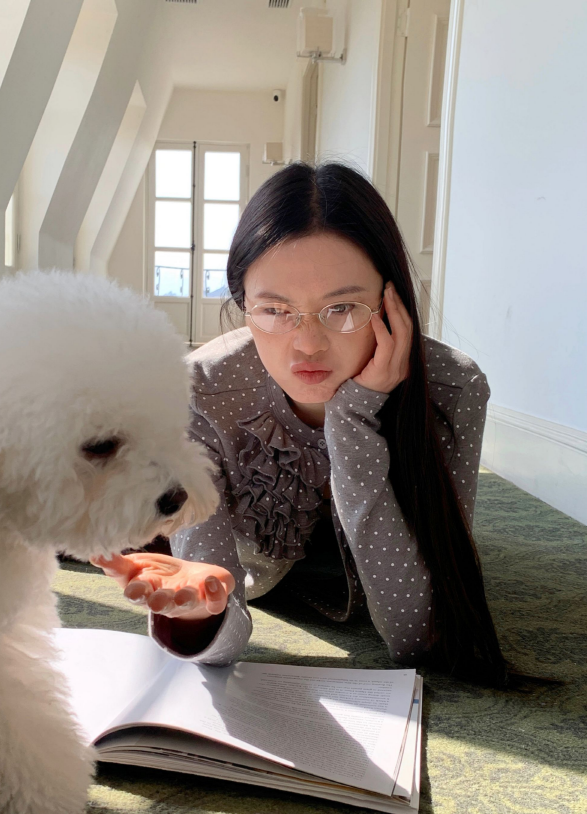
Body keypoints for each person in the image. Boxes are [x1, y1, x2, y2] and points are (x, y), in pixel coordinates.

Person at [93, 162, 507, 685]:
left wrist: (353, 415)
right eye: (274, 310)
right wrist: (199, 612)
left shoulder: (453, 388)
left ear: (391, 301)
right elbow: (222, 621)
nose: (308, 345)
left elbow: (418, 634)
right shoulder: (200, 392)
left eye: (342, 308)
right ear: (243, 305)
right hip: (232, 546)